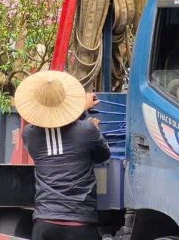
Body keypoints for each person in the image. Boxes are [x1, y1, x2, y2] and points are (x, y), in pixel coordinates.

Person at [15, 70, 110, 240]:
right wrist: (88, 121)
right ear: (68, 101)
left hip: (44, 223)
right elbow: (103, 155)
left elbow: (59, 133)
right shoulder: (87, 130)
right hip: (80, 224)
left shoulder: (30, 134)